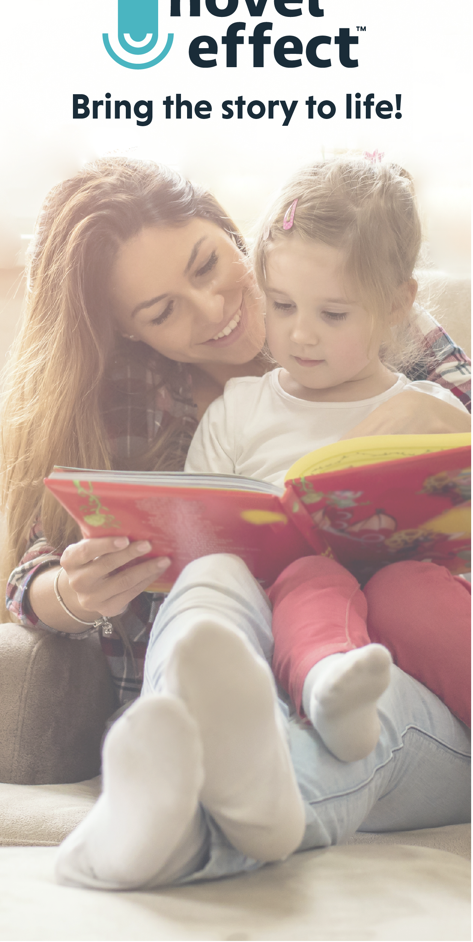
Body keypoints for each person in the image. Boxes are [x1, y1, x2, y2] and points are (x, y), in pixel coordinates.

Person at [0, 156, 470, 892]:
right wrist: (76, 592)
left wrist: (439, 417)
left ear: (233, 234)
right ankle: (192, 724)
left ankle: (171, 826)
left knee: (348, 711)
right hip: (241, 667)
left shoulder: (366, 302)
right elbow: (31, 572)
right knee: (213, 574)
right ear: (129, 333)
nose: (211, 307)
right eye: (162, 311)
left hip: (393, 678)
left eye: (208, 264)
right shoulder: (146, 402)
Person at [184, 159, 471, 765]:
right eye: (282, 305)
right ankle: (330, 686)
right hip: (293, 619)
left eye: (332, 314)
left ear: (397, 304)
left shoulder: (431, 410)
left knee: (407, 588)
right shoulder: (239, 411)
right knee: (311, 577)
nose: (301, 336)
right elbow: (202, 547)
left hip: (422, 626)